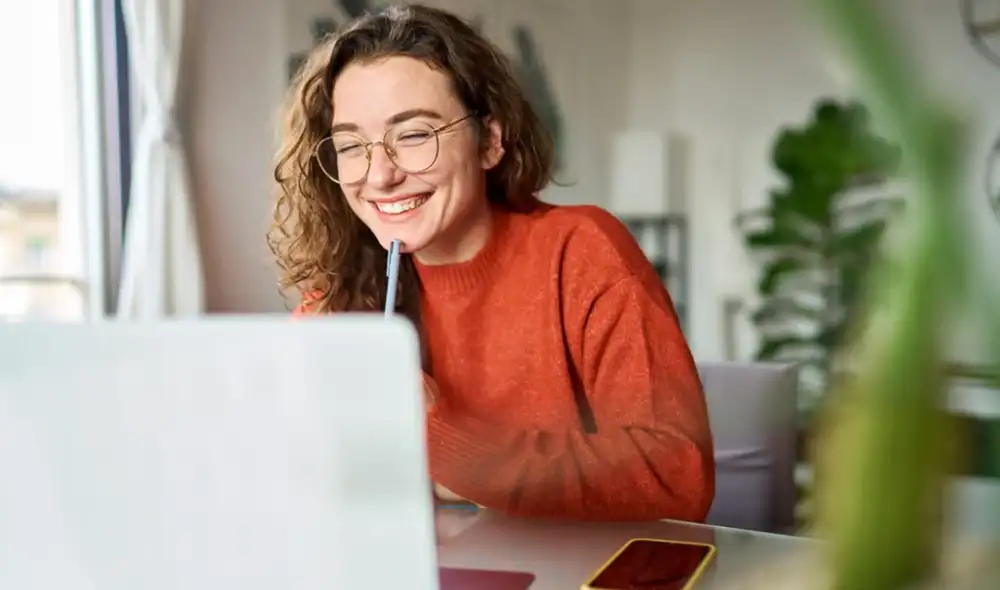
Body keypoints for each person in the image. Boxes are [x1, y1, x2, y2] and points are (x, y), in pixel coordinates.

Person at [270, 3, 714, 522]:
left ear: (490, 142)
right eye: (351, 145)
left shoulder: (581, 252)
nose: (380, 175)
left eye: (414, 135)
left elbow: (676, 475)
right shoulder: (341, 295)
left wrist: (441, 441)